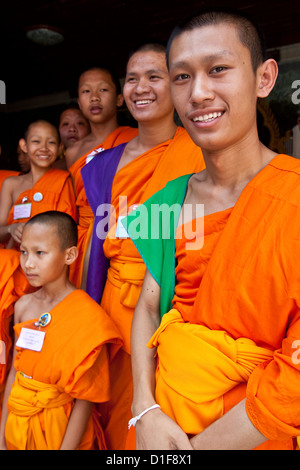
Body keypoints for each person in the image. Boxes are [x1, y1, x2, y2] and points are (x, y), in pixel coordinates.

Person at [124, 9, 300, 450]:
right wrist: (144, 408)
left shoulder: (293, 196)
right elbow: (148, 306)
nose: (198, 92)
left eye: (218, 69)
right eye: (181, 77)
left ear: (264, 78)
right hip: (160, 427)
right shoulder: (168, 199)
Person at [81, 43, 205, 450]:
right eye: (132, 79)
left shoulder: (202, 154)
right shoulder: (102, 165)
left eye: (155, 76)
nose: (141, 87)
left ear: (176, 83)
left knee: (166, 412)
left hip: (176, 303)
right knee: (114, 412)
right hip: (113, 303)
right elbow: (93, 247)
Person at [0, 211, 122, 450]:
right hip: (17, 422)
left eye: (40, 253)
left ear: (70, 255)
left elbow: (86, 399)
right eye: (23, 252)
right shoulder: (24, 305)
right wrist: (2, 436)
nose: (28, 263)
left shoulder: (88, 317)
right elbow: (15, 372)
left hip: (59, 428)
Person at [66, 66, 138, 288]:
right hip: (84, 239)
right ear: (79, 102)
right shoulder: (73, 152)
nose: (94, 97)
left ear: (119, 99)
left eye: (103, 90)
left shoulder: (136, 139)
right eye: (86, 92)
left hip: (126, 233)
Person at [0, 119, 77, 248]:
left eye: (51, 142)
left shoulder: (64, 181)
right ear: (24, 146)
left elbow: (69, 231)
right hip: (16, 260)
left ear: (60, 148)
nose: (44, 148)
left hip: (50, 260)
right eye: (36, 141)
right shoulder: (11, 184)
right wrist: (11, 229)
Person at [52, 104, 91, 170]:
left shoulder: (99, 160)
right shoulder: (52, 169)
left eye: (80, 123)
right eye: (66, 124)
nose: (72, 129)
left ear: (90, 128)